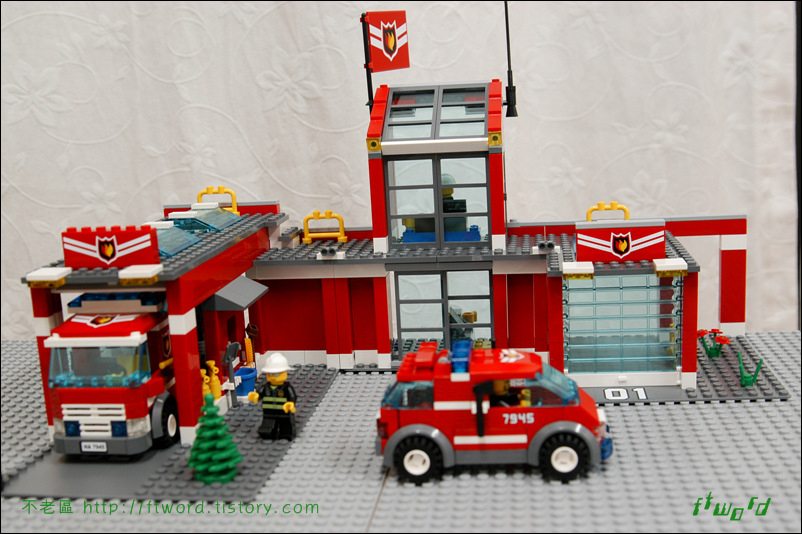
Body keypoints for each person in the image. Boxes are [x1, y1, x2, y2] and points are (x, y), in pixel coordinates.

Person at [248, 353, 297, 440]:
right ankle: (269, 434)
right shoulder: (265, 387)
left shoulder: (286, 388)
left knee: (286, 427)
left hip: (284, 412)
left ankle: (286, 435)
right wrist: (255, 396)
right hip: (269, 412)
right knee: (267, 428)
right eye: (270, 374)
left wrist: (290, 403)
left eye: (277, 374)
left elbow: (292, 396)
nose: (273, 377)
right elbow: (260, 394)